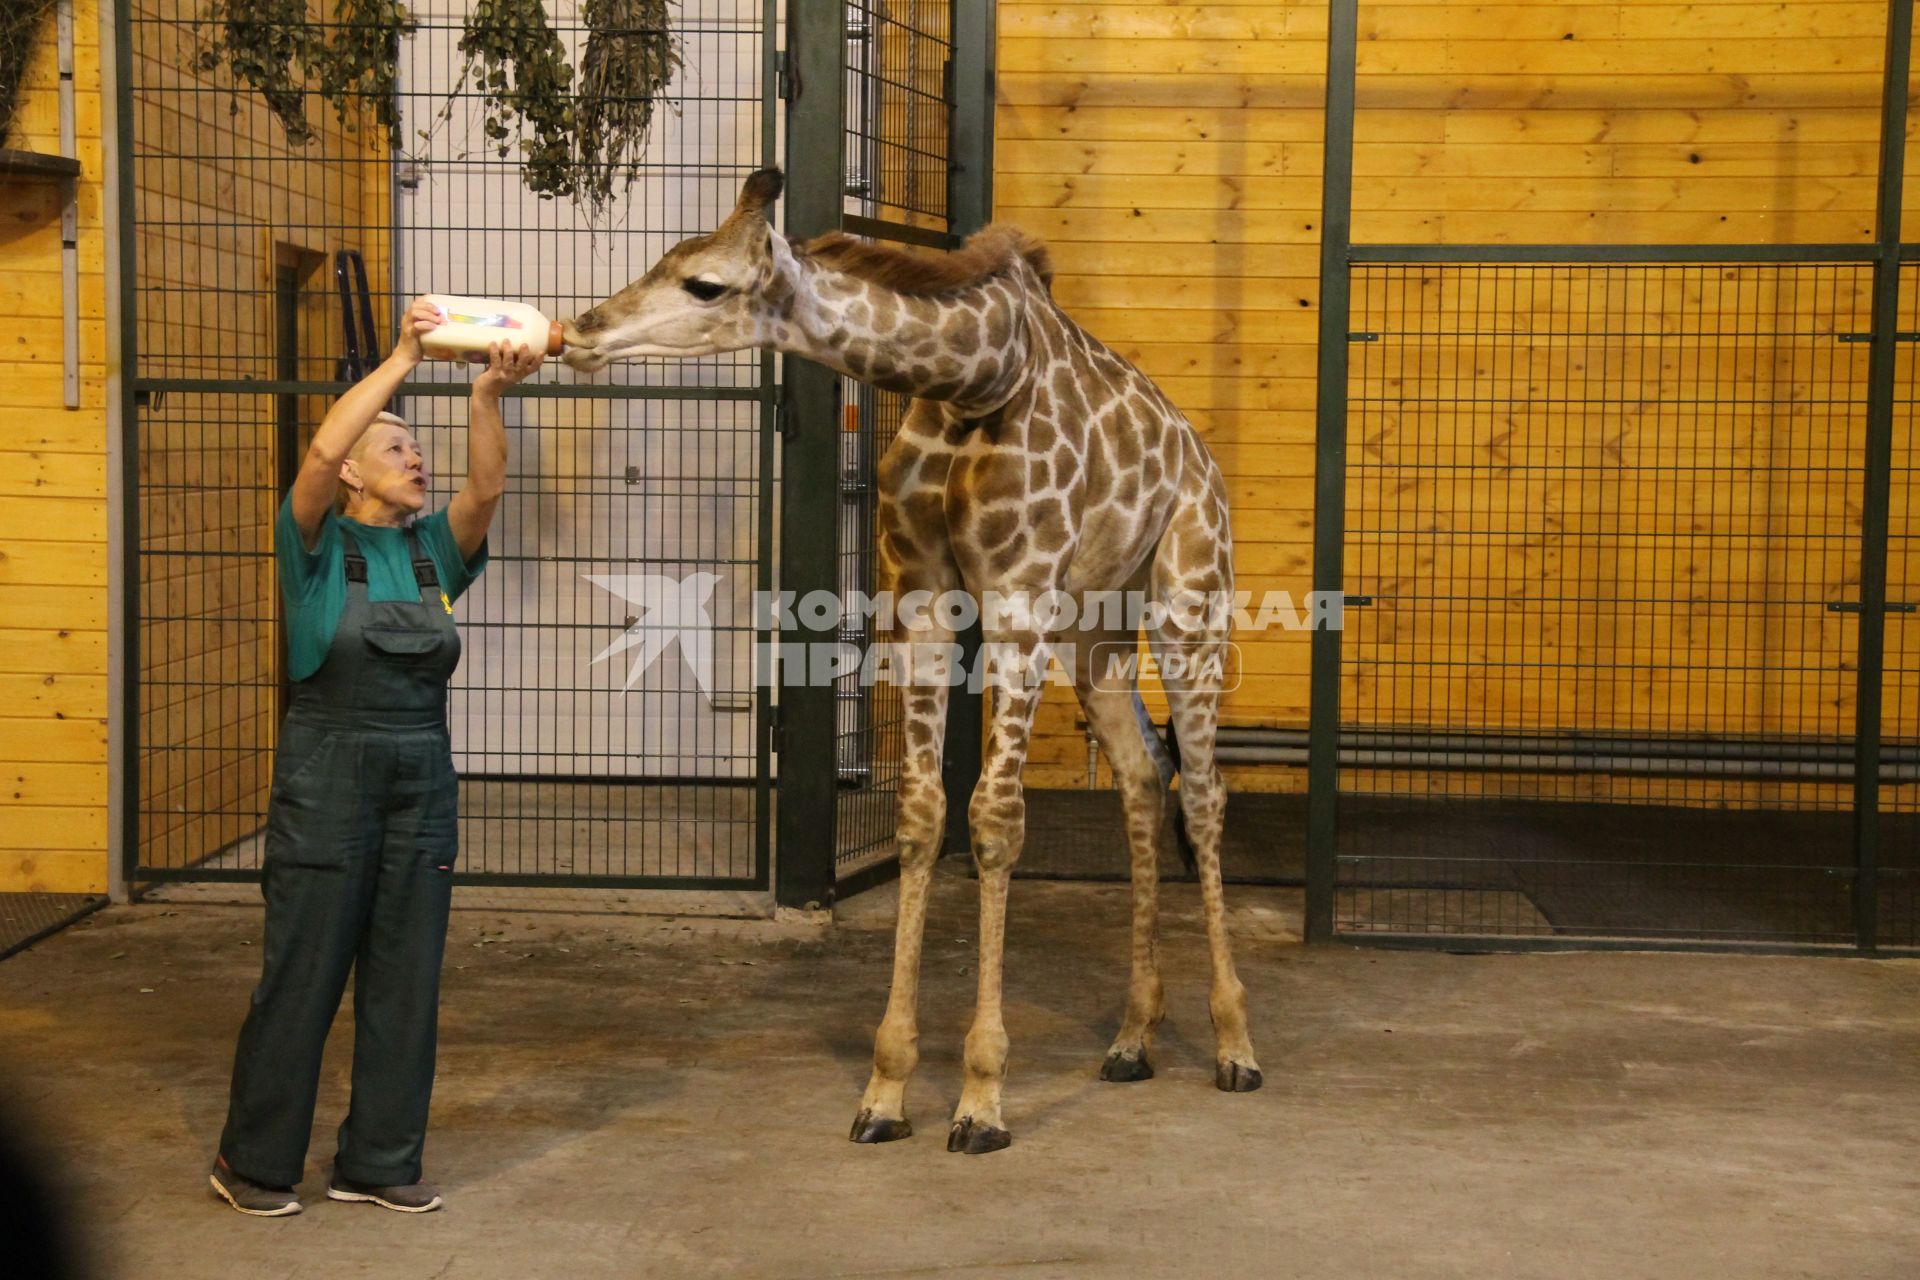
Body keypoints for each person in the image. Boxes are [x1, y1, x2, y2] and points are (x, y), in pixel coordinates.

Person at [209, 297, 542, 1216]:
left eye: (415, 448)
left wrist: (485, 398)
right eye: (396, 448)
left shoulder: (433, 553)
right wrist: (403, 355)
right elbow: (316, 455)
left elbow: (487, 493)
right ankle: (255, 1163)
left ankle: (379, 1163)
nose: (414, 458)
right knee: (304, 974)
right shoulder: (312, 544)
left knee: (406, 982)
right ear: (355, 470)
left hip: (419, 780)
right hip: (327, 783)